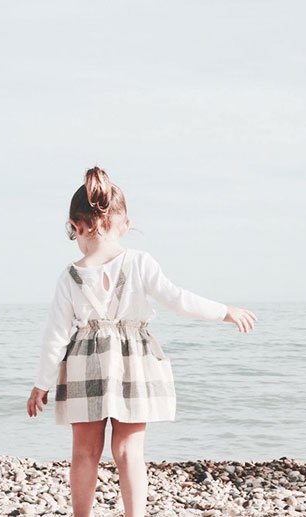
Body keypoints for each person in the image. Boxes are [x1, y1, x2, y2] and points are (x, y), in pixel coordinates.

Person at [26, 166, 257, 517]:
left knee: (84, 452)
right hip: (133, 361)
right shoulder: (139, 262)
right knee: (128, 451)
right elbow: (178, 299)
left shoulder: (70, 276)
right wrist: (224, 312)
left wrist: (41, 384)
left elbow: (55, 336)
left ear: (75, 226)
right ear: (125, 224)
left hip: (84, 363)